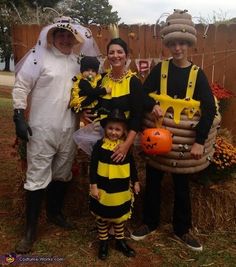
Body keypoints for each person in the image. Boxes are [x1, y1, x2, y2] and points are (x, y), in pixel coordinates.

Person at [12, 16, 100, 254]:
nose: (65, 39)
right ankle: (30, 231)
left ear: (75, 39)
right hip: (41, 128)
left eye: (69, 35)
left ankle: (54, 213)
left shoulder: (78, 63)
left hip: (68, 129)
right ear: (52, 36)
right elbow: (21, 85)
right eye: (61, 34)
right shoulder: (38, 57)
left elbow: (85, 94)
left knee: (62, 173)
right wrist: (19, 115)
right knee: (37, 175)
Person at [131, 10, 216, 252]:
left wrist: (199, 141)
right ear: (168, 45)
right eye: (173, 44)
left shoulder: (197, 75)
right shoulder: (160, 70)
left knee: (181, 186)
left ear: (189, 44)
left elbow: (209, 109)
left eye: (182, 44)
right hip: (157, 140)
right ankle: (149, 222)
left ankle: (182, 230)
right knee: (154, 182)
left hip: (182, 145)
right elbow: (142, 93)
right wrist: (152, 105)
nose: (177, 48)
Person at [79, 31, 143, 161]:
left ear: (126, 55)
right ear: (107, 56)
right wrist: (83, 112)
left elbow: (137, 117)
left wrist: (126, 145)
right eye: (111, 52)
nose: (115, 56)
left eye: (120, 52)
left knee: (119, 175)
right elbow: (87, 99)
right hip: (99, 138)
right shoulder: (100, 79)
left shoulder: (133, 82)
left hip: (122, 140)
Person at [89, 108, 140, 260]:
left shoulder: (125, 147)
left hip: (121, 189)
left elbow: (132, 165)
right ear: (105, 129)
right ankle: (103, 241)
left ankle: (119, 240)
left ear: (124, 131)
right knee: (102, 216)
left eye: (118, 129)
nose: (113, 132)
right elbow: (93, 166)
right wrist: (93, 185)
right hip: (103, 187)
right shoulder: (99, 146)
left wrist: (136, 181)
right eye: (110, 128)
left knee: (119, 216)